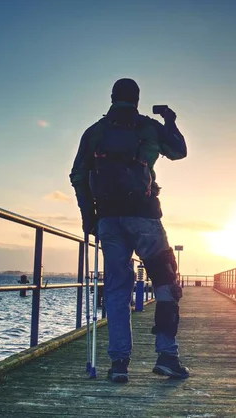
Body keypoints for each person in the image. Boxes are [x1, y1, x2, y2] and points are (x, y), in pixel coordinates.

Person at [70, 78, 189, 383]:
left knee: (116, 289)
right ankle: (166, 356)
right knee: (164, 279)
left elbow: (77, 175)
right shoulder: (148, 127)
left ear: (112, 98)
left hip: (108, 219)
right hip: (143, 216)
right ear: (137, 100)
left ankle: (119, 363)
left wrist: (89, 218)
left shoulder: (95, 132)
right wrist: (170, 121)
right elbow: (179, 152)